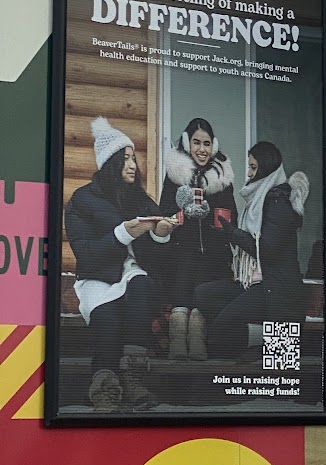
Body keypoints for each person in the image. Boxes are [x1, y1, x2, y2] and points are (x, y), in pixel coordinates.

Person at [65, 118, 179, 413]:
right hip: (98, 280)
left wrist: (161, 236)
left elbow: (159, 262)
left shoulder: (142, 200)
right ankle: (104, 386)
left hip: (134, 277)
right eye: (124, 159)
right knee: (109, 316)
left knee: (141, 284)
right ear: (109, 163)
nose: (132, 166)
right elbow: (87, 255)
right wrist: (124, 232)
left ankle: (131, 376)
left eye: (133, 159)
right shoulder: (82, 200)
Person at [194, 141, 308, 361]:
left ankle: (274, 345)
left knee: (217, 336)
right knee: (203, 294)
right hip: (253, 283)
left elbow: (266, 250)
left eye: (254, 168)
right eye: (249, 167)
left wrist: (232, 233)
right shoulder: (259, 199)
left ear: (266, 169)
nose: (249, 173)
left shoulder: (276, 201)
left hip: (275, 290)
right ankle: (264, 339)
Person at [158, 117, 236, 361]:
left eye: (206, 143)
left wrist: (212, 212)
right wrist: (184, 211)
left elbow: (231, 216)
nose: (202, 149)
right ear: (186, 143)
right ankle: (178, 341)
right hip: (181, 249)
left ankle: (198, 340)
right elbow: (165, 213)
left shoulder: (222, 176)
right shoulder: (175, 174)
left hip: (214, 252)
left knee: (202, 295)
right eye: (196, 143)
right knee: (181, 293)